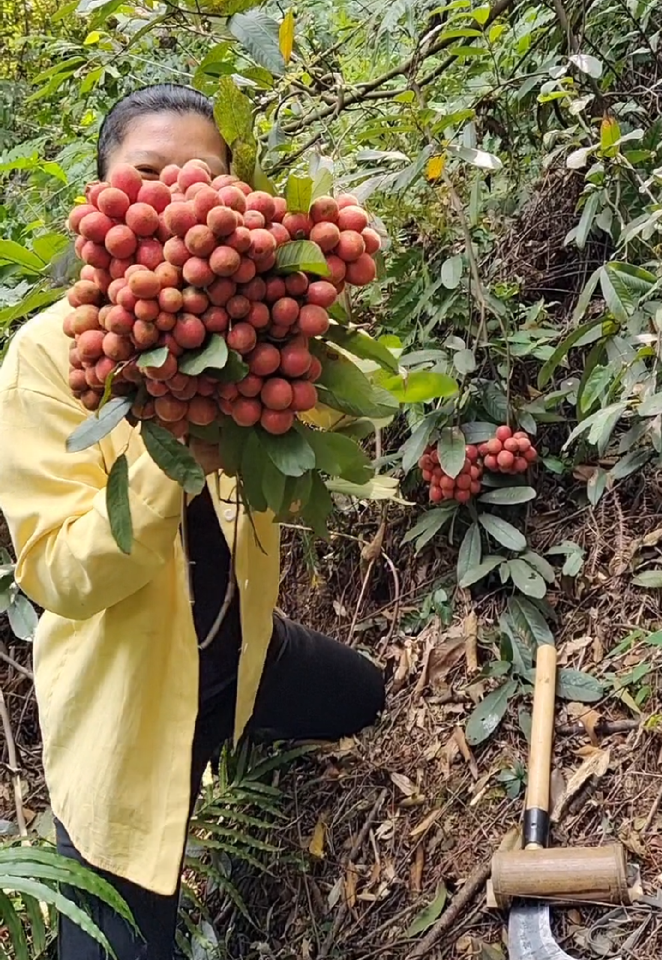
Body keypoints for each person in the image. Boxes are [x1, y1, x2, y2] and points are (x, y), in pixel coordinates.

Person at [0, 83, 385, 960]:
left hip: (243, 649)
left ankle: (249, 715)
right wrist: (170, 433)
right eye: (146, 174)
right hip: (127, 709)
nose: (174, 198)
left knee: (365, 699)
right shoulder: (47, 357)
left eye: (201, 176)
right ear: (98, 193)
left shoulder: (248, 320)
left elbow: (309, 455)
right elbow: (60, 573)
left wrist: (318, 324)